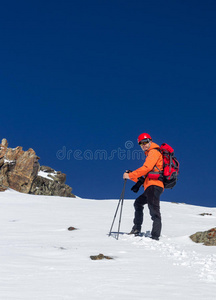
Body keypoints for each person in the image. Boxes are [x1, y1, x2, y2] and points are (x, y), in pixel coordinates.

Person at [123, 133, 164, 240]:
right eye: (141, 144)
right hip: (150, 185)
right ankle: (136, 229)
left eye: (145, 142)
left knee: (154, 210)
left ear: (150, 141)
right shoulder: (150, 153)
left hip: (154, 185)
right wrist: (131, 176)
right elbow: (144, 178)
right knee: (138, 203)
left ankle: (155, 236)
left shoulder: (154, 152)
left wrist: (130, 175)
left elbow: (146, 167)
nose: (143, 145)